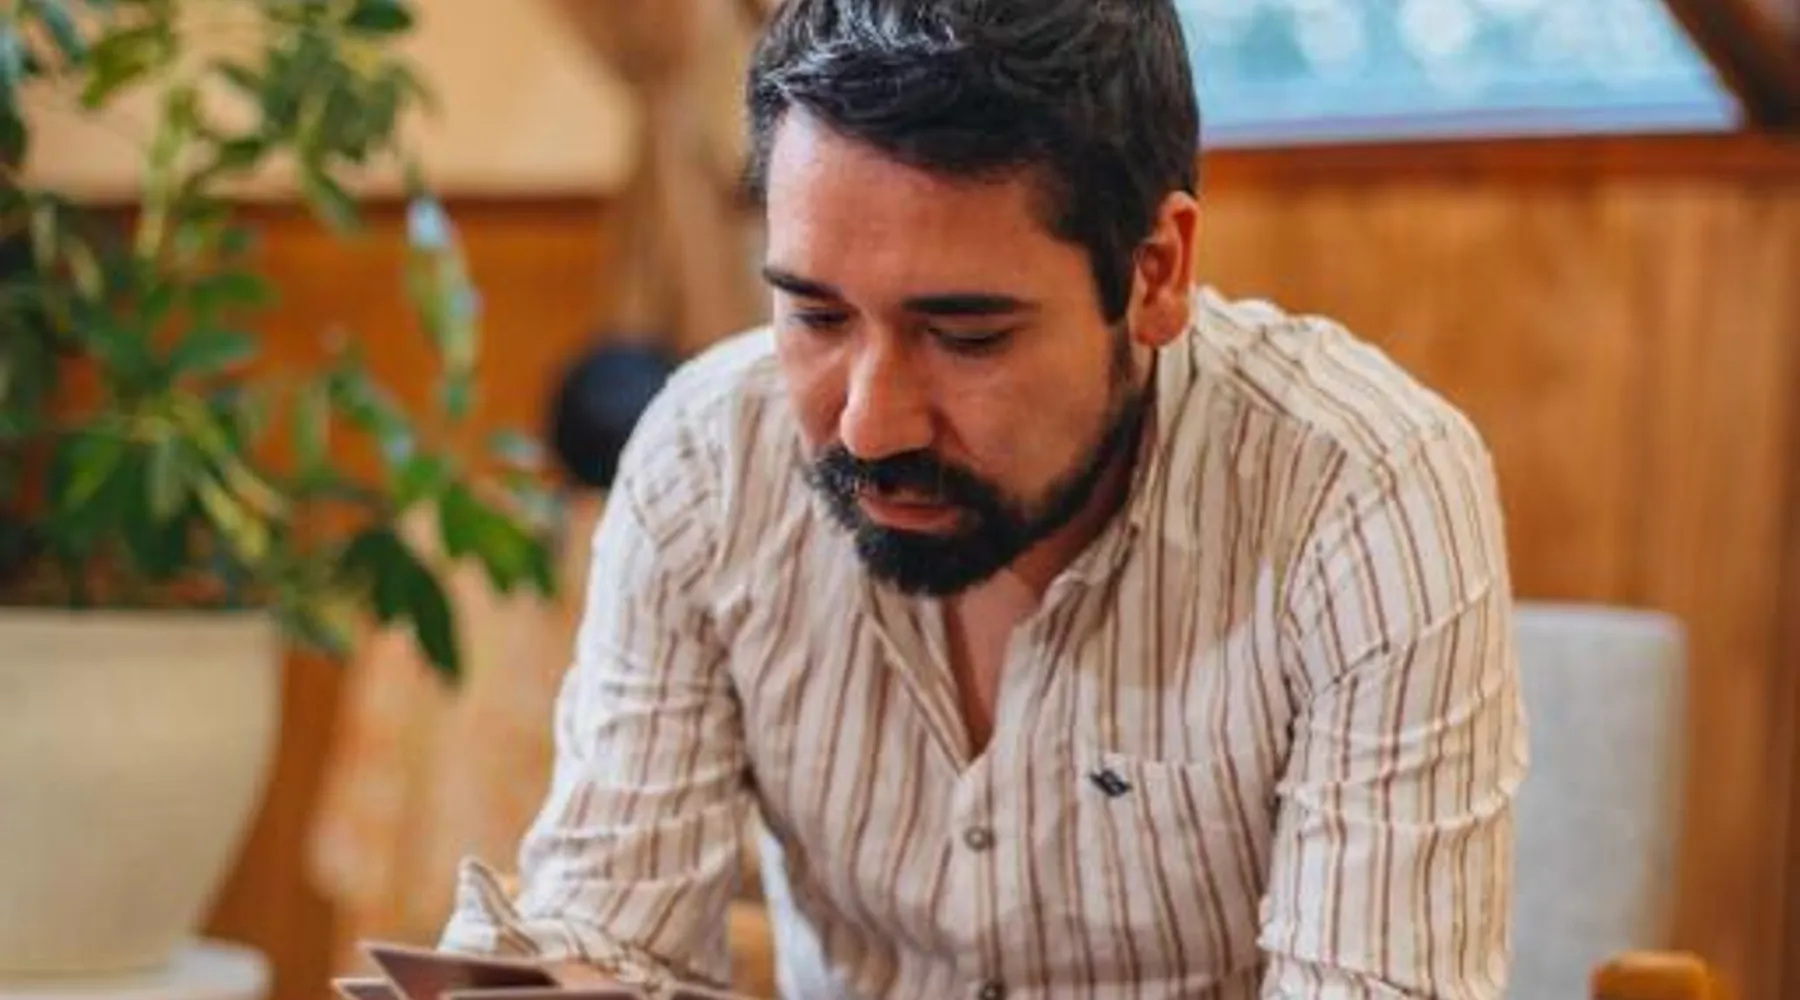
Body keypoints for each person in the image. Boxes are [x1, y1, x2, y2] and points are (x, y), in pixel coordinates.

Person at [437, 1, 1527, 997]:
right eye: (817, 317)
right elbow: (614, 933)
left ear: (1155, 272)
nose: (869, 426)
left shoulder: (1357, 492)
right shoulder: (705, 466)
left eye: (966, 336)